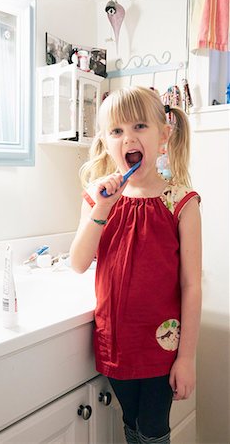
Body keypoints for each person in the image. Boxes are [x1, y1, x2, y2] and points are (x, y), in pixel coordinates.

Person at [70, 86, 202, 444]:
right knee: (132, 422)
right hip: (115, 343)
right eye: (116, 131)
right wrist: (101, 207)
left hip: (163, 346)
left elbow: (192, 285)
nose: (127, 137)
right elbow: (79, 262)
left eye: (139, 126)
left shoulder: (181, 202)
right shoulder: (98, 198)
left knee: (154, 429)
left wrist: (187, 358)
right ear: (105, 143)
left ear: (164, 135)